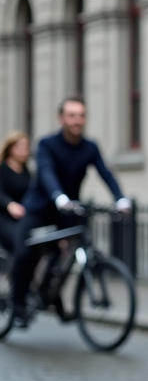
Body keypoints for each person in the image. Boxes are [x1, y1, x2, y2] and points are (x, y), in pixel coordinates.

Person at [7, 97, 131, 327]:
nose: (77, 120)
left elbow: (106, 173)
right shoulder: (47, 144)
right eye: (72, 115)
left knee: (70, 251)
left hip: (67, 209)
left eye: (81, 115)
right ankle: (17, 306)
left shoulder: (89, 147)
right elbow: (46, 172)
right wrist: (59, 196)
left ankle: (51, 295)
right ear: (62, 118)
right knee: (24, 253)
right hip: (40, 208)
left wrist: (120, 199)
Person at [0, 131, 32, 253]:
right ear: (11, 148)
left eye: (26, 147)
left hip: (23, 216)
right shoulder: (3, 169)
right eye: (20, 147)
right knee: (19, 242)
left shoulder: (26, 171)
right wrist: (9, 204)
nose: (24, 150)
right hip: (4, 217)